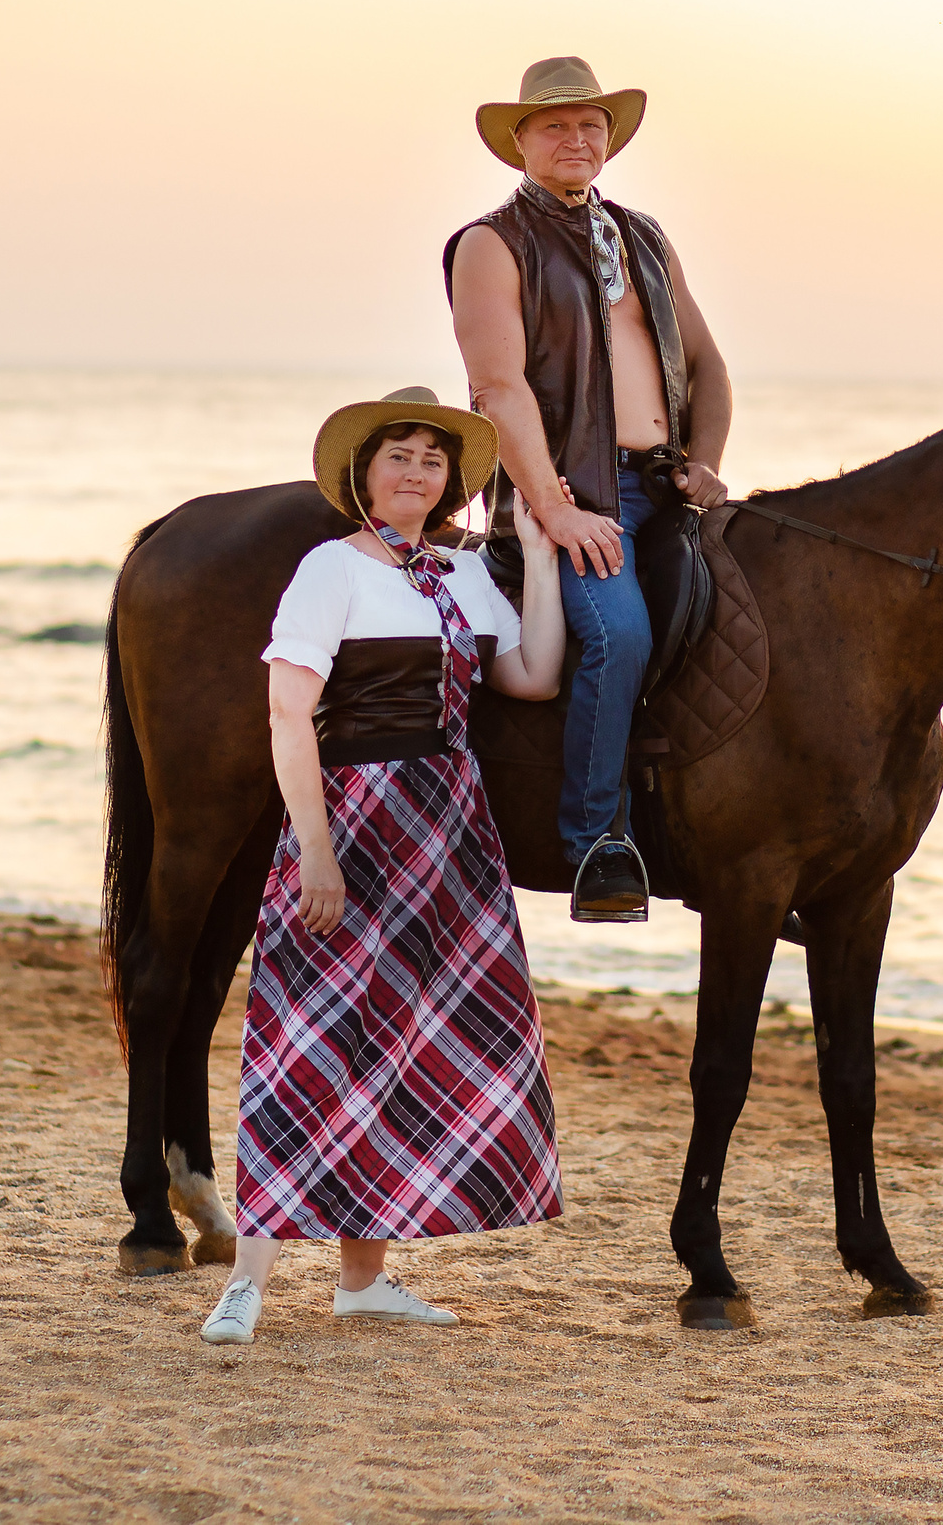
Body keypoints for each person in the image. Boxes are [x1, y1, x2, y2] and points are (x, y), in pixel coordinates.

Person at [201, 387, 568, 1345]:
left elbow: (532, 675)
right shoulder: (332, 569)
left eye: (433, 460)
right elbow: (289, 715)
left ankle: (364, 1280)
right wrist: (314, 850)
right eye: (398, 455)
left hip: (449, 832)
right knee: (308, 1045)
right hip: (354, 817)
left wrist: (535, 554)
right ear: (365, 474)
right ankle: (246, 1283)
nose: (415, 471)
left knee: (406, 1047)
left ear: (451, 483)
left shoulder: (459, 573)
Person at [445, 55, 734, 921]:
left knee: (762, 617)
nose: (577, 139)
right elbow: (498, 388)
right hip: (568, 491)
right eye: (556, 126)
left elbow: (709, 364)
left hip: (666, 485)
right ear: (521, 143)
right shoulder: (492, 244)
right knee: (620, 634)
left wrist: (707, 458)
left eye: (591, 126)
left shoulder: (643, 235)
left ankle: (747, 839)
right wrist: (555, 506)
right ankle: (596, 845)